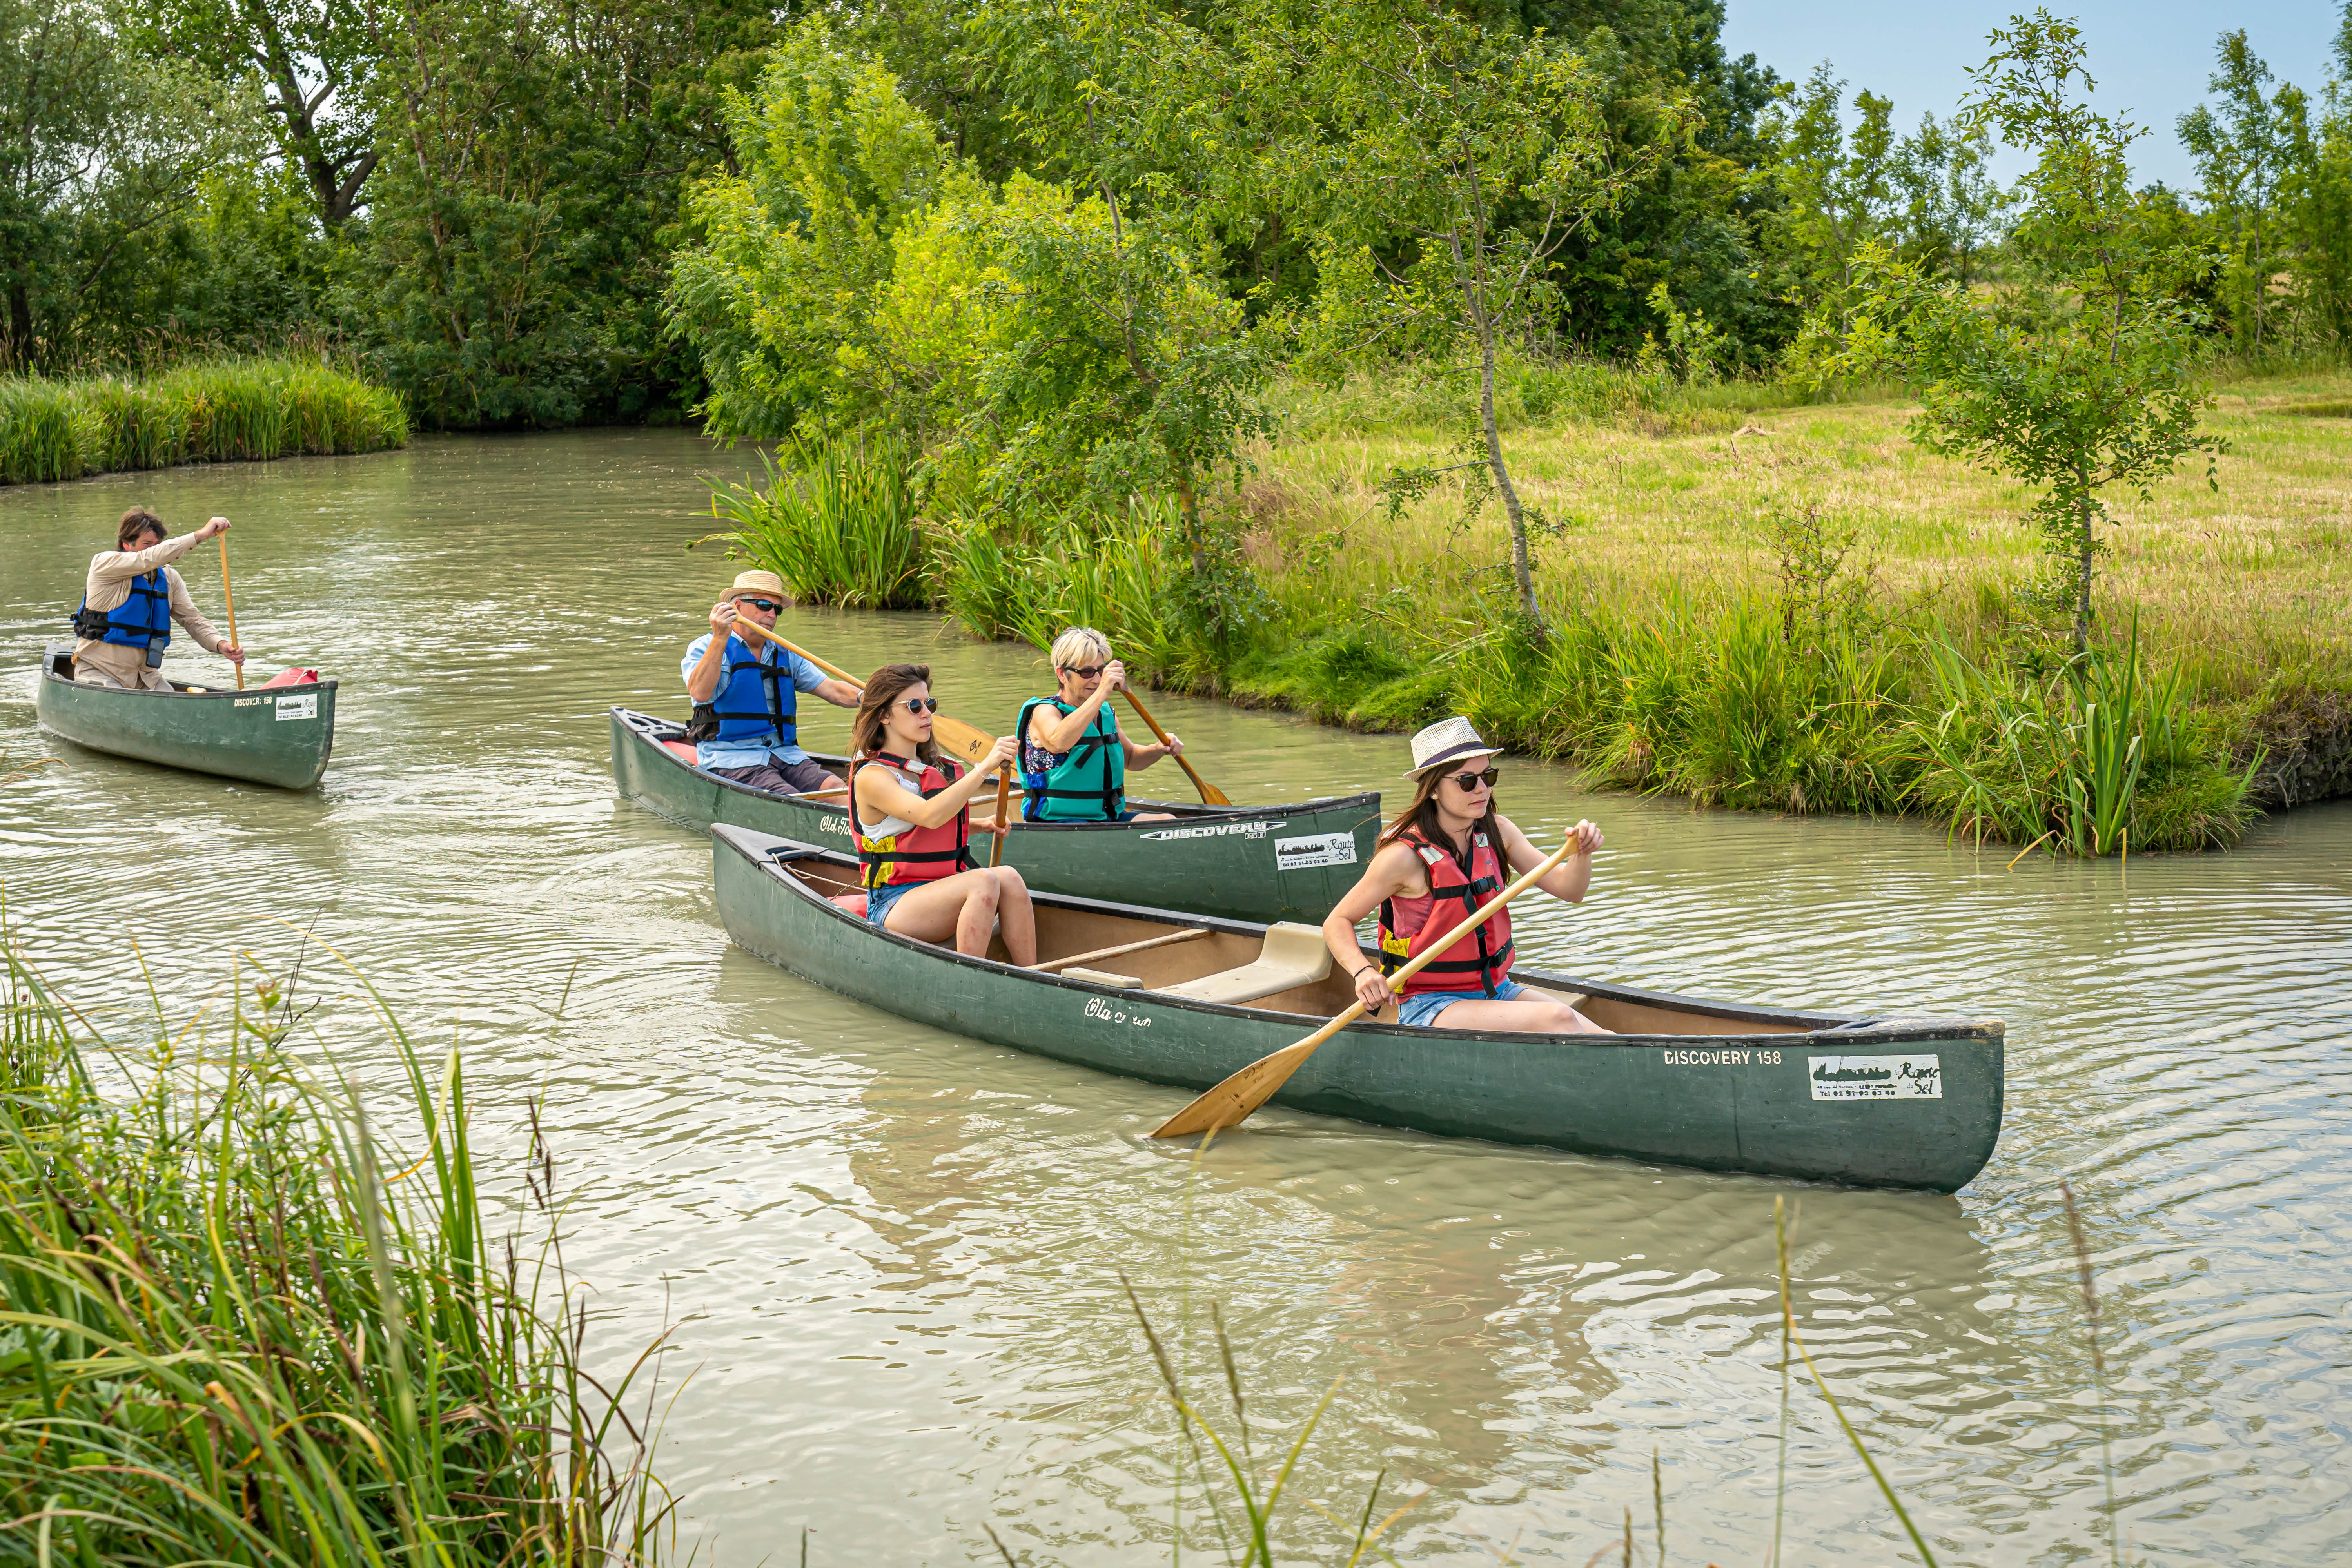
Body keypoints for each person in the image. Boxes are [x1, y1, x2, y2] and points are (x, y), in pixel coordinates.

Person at [1321, 717, 1610, 1034]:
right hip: (1430, 1004)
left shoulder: (1499, 832)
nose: (1482, 789)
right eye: (1467, 781)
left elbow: (1571, 890)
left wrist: (1581, 853)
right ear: (1433, 789)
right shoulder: (1403, 857)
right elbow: (1337, 922)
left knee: (1606, 1037)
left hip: (1497, 990)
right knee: (1560, 1020)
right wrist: (1362, 971)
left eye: (1489, 776)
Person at [849, 664, 1037, 963]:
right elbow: (929, 816)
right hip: (894, 902)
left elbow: (922, 832)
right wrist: (984, 768)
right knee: (983, 881)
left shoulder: (932, 769)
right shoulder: (873, 776)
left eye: (930, 704)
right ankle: (969, 983)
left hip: (941, 888)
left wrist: (979, 825)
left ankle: (1034, 976)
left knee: (1009, 877)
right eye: (914, 706)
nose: (927, 713)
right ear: (884, 715)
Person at [682, 570, 860, 793]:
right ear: (738, 606)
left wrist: (868, 697)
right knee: (788, 796)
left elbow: (833, 689)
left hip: (785, 754)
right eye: (763, 606)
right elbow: (700, 692)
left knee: (835, 787)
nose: (772, 615)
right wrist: (720, 638)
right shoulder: (706, 646)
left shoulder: (785, 653)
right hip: (732, 758)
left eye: (777, 609)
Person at [1014, 626, 1183, 823]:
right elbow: (1058, 742)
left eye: (1101, 670)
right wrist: (1103, 691)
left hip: (1108, 817)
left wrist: (1159, 748)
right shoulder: (1045, 711)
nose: (1097, 679)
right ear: (1062, 674)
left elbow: (1130, 759)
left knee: (1168, 821)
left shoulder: (1105, 713)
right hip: (1060, 820)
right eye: (1087, 672)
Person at [71, 509, 246, 690]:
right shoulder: (104, 564)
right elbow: (148, 559)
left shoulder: (169, 578)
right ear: (126, 545)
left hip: (145, 677)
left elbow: (192, 620)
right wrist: (200, 535)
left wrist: (221, 644)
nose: (154, 549)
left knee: (173, 703)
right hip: (100, 672)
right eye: (147, 544)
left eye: (158, 544)